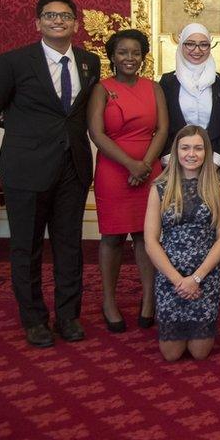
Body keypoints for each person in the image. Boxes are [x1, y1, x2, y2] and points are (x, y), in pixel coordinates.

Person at [0, 0, 101, 347]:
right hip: (26, 169)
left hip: (72, 168)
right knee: (26, 247)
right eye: (50, 15)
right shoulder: (14, 61)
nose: (58, 21)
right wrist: (27, 133)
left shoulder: (89, 62)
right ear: (38, 23)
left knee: (69, 246)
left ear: (76, 24)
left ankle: (68, 316)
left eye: (65, 16)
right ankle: (33, 320)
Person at [88, 29, 168, 334]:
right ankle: (109, 301)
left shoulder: (154, 88)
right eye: (123, 52)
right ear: (112, 56)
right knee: (112, 237)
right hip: (113, 170)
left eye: (135, 53)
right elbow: (97, 133)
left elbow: (162, 130)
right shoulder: (101, 89)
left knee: (146, 237)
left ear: (143, 57)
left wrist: (145, 165)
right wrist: (131, 165)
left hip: (150, 170)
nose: (129, 58)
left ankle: (149, 300)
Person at [144, 126, 220, 361]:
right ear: (176, 151)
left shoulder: (219, 187)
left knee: (199, 353)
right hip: (170, 277)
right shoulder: (159, 187)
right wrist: (179, 281)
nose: (191, 154)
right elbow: (151, 241)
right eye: (185, 148)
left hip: (205, 276)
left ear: (206, 152)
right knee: (171, 355)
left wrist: (196, 279)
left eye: (198, 148)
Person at [159, 23, 220, 162]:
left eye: (204, 44)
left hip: (211, 160)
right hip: (175, 160)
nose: (197, 50)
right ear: (181, 45)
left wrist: (215, 161)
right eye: (190, 44)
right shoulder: (168, 82)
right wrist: (170, 160)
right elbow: (162, 125)